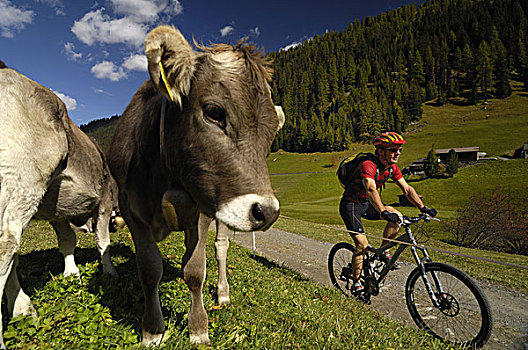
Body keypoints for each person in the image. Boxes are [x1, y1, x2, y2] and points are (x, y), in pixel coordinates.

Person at [339, 131, 437, 296]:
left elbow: (406, 189)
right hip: (351, 206)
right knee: (362, 245)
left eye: (399, 150)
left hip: (367, 204)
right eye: (393, 150)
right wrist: (383, 210)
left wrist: (423, 207)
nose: (397, 153)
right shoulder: (368, 165)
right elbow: (370, 188)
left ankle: (382, 251)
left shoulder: (392, 168)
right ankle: (356, 283)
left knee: (397, 216)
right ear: (381, 151)